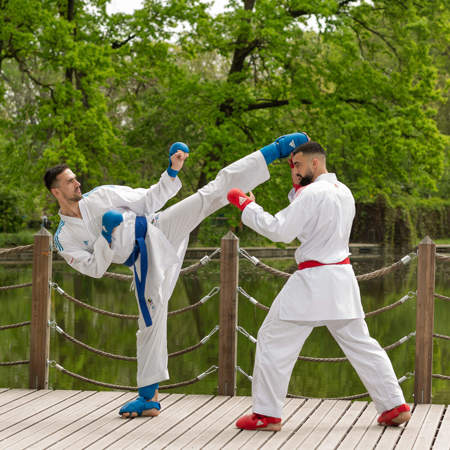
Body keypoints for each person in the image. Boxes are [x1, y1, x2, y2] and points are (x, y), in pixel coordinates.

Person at [44, 132, 310, 418]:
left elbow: (149, 200)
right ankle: (149, 398)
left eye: (75, 178)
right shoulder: (64, 238)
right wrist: (105, 238)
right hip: (142, 262)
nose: (77, 183)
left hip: (158, 227)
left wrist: (172, 171)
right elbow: (94, 269)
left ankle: (275, 150)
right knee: (150, 321)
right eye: (69, 181)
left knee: (208, 195)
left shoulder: (101, 196)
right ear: (56, 191)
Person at [228, 141, 411, 431]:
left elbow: (280, 230)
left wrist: (248, 207)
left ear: (315, 163)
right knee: (361, 344)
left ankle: (266, 414)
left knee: (273, 339)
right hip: (341, 279)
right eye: (292, 166)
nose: (295, 170)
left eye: (298, 165)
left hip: (313, 280)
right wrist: (296, 187)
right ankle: (394, 405)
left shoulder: (313, 193)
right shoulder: (343, 191)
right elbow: (310, 221)